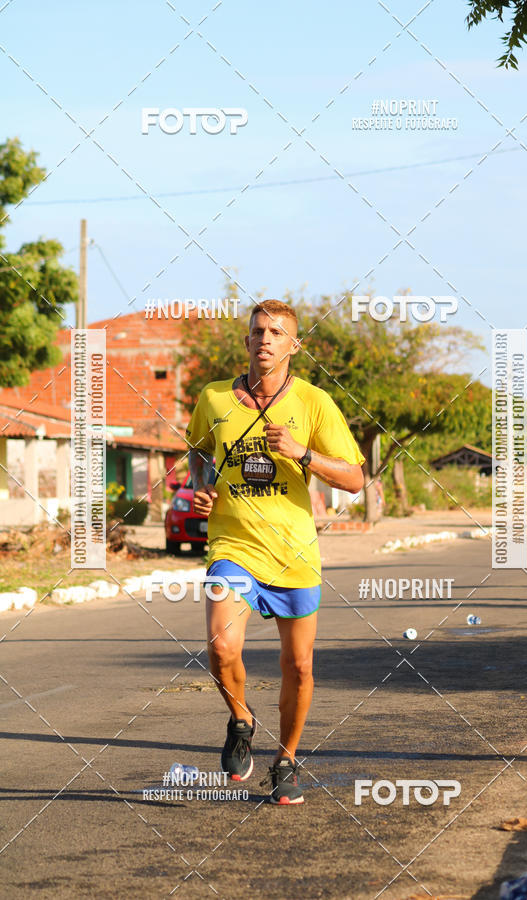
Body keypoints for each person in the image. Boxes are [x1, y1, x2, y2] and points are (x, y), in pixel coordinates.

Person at [185, 299, 364, 805]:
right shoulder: (214, 397)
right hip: (233, 544)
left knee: (299, 666)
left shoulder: (313, 402)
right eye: (259, 331)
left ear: (294, 345)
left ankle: (286, 759)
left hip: (294, 553)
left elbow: (355, 478)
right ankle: (241, 720)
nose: (266, 339)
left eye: (277, 332)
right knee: (221, 648)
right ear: (247, 340)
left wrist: (302, 453)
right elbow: (198, 450)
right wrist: (201, 486)